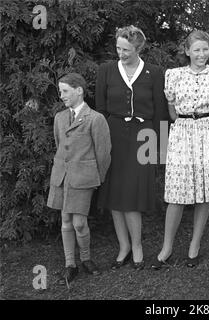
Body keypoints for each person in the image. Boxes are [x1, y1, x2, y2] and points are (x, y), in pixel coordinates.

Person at [151, 30, 209, 269]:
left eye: (205, 49)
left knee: (204, 193)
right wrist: (187, 124)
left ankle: (194, 246)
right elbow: (172, 112)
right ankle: (166, 248)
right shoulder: (173, 75)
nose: (201, 54)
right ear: (187, 51)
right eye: (196, 49)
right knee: (177, 192)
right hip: (182, 133)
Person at [95, 25, 168, 270]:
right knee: (115, 195)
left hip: (143, 137)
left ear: (138, 48)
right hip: (113, 135)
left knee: (133, 195)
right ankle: (123, 246)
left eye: (126, 49)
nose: (121, 53)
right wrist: (101, 143)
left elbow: (159, 112)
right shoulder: (105, 70)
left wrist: (160, 146)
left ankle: (137, 246)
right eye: (118, 48)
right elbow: (101, 110)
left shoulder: (154, 72)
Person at [47, 72, 111, 285]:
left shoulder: (95, 119)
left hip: (83, 179)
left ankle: (86, 258)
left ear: (79, 90)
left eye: (65, 91)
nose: (61, 95)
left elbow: (103, 153)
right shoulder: (59, 118)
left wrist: (95, 179)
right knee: (65, 221)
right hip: (62, 177)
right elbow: (60, 146)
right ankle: (70, 264)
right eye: (60, 91)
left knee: (79, 223)